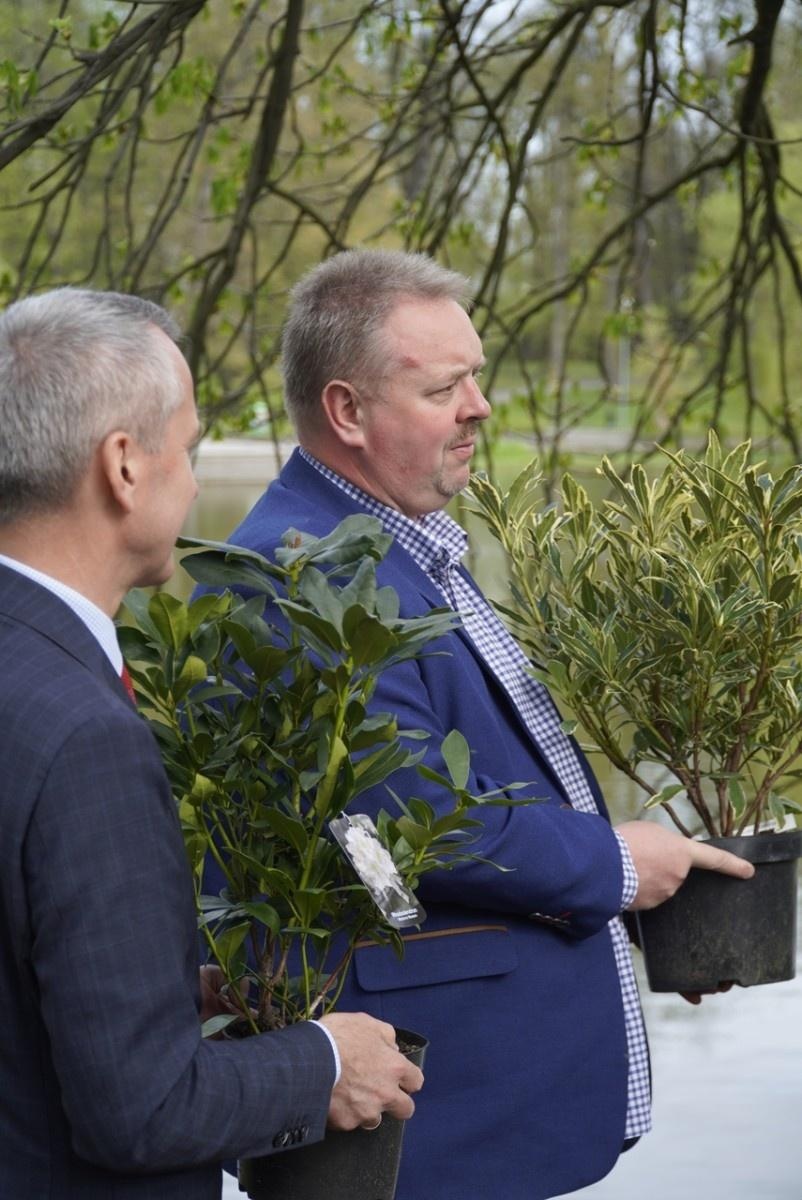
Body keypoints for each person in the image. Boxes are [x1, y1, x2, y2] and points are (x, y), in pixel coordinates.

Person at [218, 249, 756, 1200]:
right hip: (433, 1116)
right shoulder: (311, 574)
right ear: (347, 411)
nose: (481, 406)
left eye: (477, 375)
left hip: (483, 1097)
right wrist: (617, 865)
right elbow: (402, 825)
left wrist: (638, 906)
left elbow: (406, 828)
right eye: (444, 388)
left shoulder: (394, 549)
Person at [0, 288, 423, 1200]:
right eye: (188, 448)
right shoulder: (88, 740)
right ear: (123, 466)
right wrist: (322, 1060)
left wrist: (150, 983)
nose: (193, 483)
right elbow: (142, 1110)